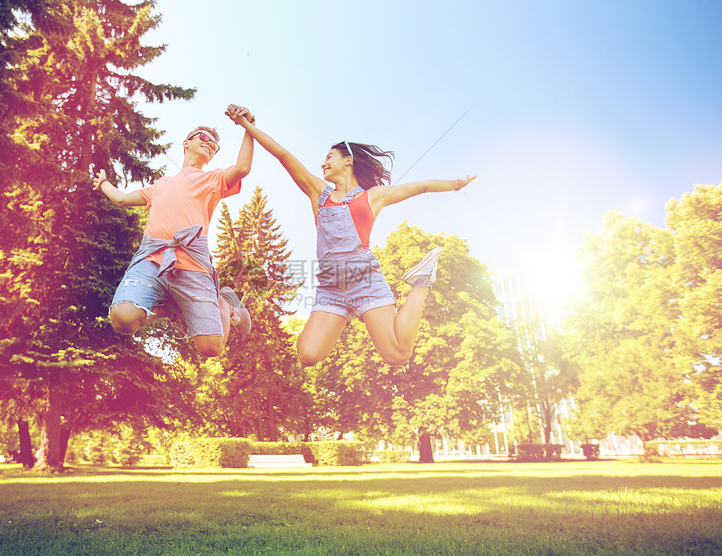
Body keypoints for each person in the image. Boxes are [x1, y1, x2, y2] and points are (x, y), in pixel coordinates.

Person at [229, 106, 475, 367]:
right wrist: (248, 126)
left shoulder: (373, 196)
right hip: (331, 288)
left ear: (348, 161)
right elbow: (282, 154)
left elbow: (422, 186)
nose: (323, 162)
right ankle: (341, 317)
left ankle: (420, 282)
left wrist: (456, 184)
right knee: (308, 355)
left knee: (397, 355)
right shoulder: (318, 193)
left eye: (330, 156)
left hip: (365, 280)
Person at [93, 106, 256, 357]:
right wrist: (103, 182)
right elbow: (123, 199)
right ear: (186, 143)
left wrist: (248, 128)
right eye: (204, 138)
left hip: (193, 267)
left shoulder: (213, 179)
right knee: (122, 319)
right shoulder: (160, 185)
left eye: (214, 146)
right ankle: (170, 308)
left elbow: (243, 168)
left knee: (211, 349)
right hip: (151, 262)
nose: (210, 145)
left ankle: (224, 300)